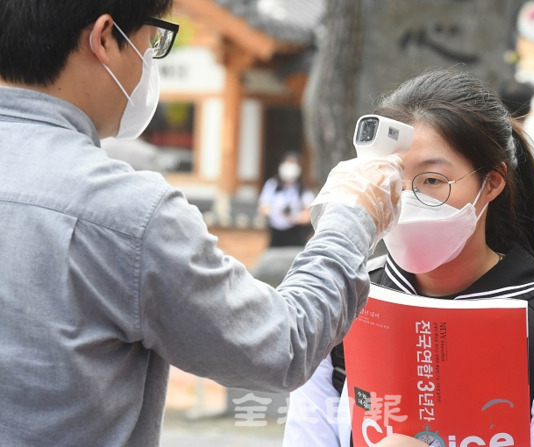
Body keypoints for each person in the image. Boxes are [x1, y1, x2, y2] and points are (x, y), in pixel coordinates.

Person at [0, 1, 403, 446]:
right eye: (152, 40)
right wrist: (352, 218)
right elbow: (280, 345)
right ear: (104, 39)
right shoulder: (126, 212)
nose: (150, 59)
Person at [282, 68, 534, 446]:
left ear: (491, 183)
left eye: (431, 181)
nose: (410, 199)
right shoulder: (344, 301)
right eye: (393, 182)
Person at [258, 151, 316, 247]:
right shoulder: (272, 185)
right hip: (275, 233)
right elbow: (263, 208)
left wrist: (293, 217)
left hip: (296, 234)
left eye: (293, 164)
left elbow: (309, 216)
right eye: (287, 163)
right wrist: (276, 211)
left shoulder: (304, 191)